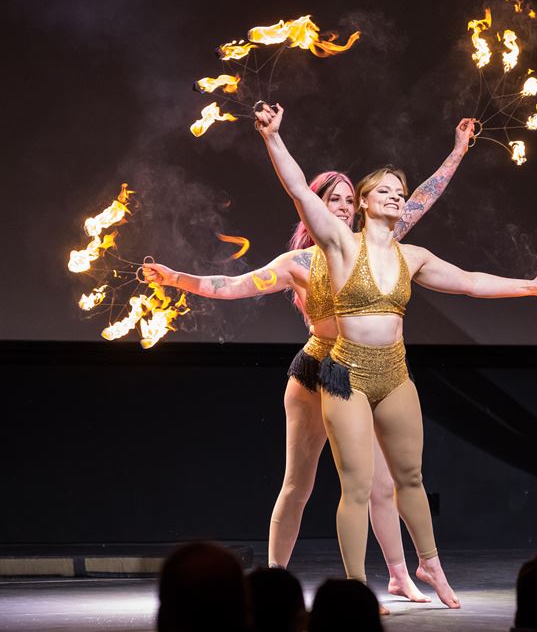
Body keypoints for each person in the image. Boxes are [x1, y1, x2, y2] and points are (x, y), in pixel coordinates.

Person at [144, 121, 475, 604]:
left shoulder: (373, 244)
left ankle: (400, 575)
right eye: (333, 199)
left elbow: (422, 198)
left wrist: (458, 151)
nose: (342, 207)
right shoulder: (297, 263)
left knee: (384, 483)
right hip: (319, 368)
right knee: (299, 483)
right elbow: (231, 285)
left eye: (348, 199)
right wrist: (177, 279)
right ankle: (273, 578)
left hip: (366, 370)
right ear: (316, 206)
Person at [254, 103, 537, 607]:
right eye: (385, 191)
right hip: (342, 372)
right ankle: (354, 589)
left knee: (407, 479)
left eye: (401, 192)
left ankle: (425, 565)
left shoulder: (410, 254)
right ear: (364, 203)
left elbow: (470, 281)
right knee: (354, 485)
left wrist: (529, 286)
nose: (398, 196)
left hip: (394, 373)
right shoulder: (337, 245)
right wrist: (272, 138)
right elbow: (298, 192)